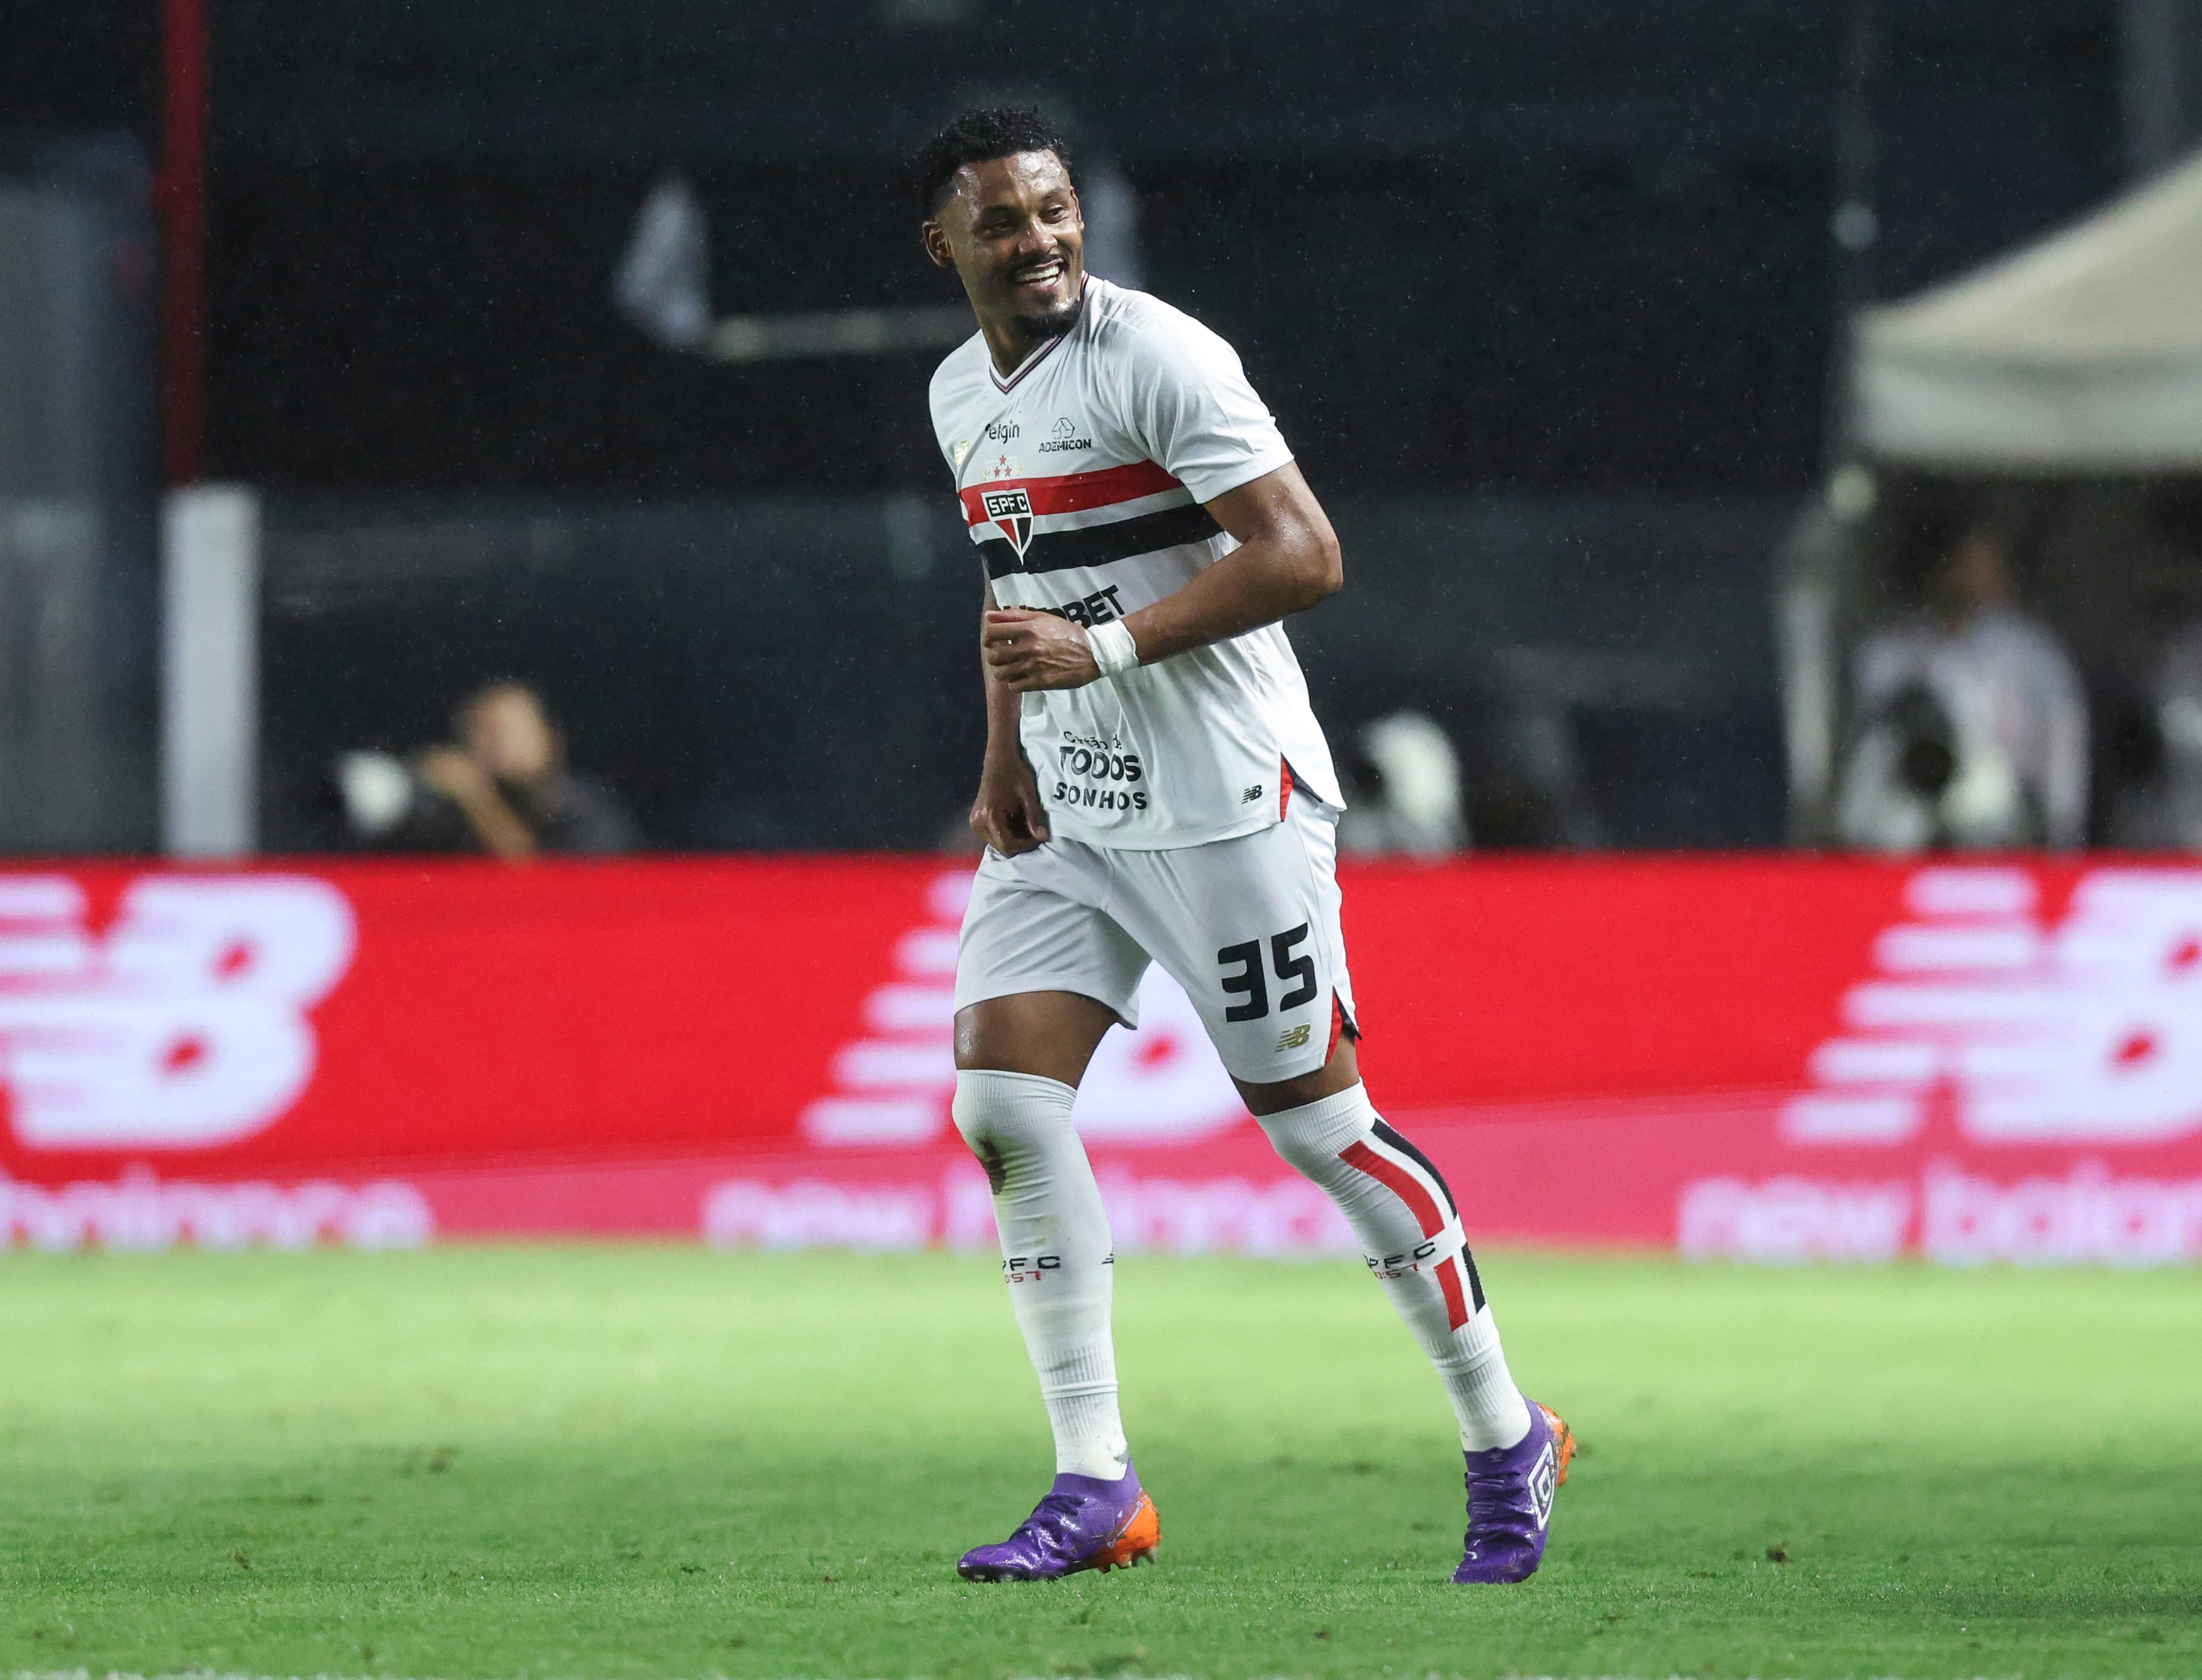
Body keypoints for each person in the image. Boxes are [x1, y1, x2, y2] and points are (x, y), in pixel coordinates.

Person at [916, 106, 1571, 1588]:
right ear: (943, 244)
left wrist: (1104, 646)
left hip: (1227, 797)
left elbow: (1306, 554)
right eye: (1003, 220)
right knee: (1003, 1100)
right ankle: (1096, 1483)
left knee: (1318, 1130)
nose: (1037, 241)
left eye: (1054, 210)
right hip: (1071, 804)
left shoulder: (1162, 357)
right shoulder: (963, 388)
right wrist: (1005, 750)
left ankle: (1502, 1428)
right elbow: (1011, 578)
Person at [1840, 520, 2087, 851]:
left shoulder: (2032, 653)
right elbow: (1862, 757)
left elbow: (2064, 749)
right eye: (1970, 564)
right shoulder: (1886, 653)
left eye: (1991, 564)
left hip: (2002, 836)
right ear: (1944, 567)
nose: (1986, 575)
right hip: (1900, 835)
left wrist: (2062, 837)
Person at [341, 681, 639, 858]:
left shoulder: (588, 810)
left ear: (550, 740)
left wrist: (476, 797)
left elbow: (549, 890)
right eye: (483, 734)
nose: (498, 746)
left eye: (510, 732)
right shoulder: (449, 814)